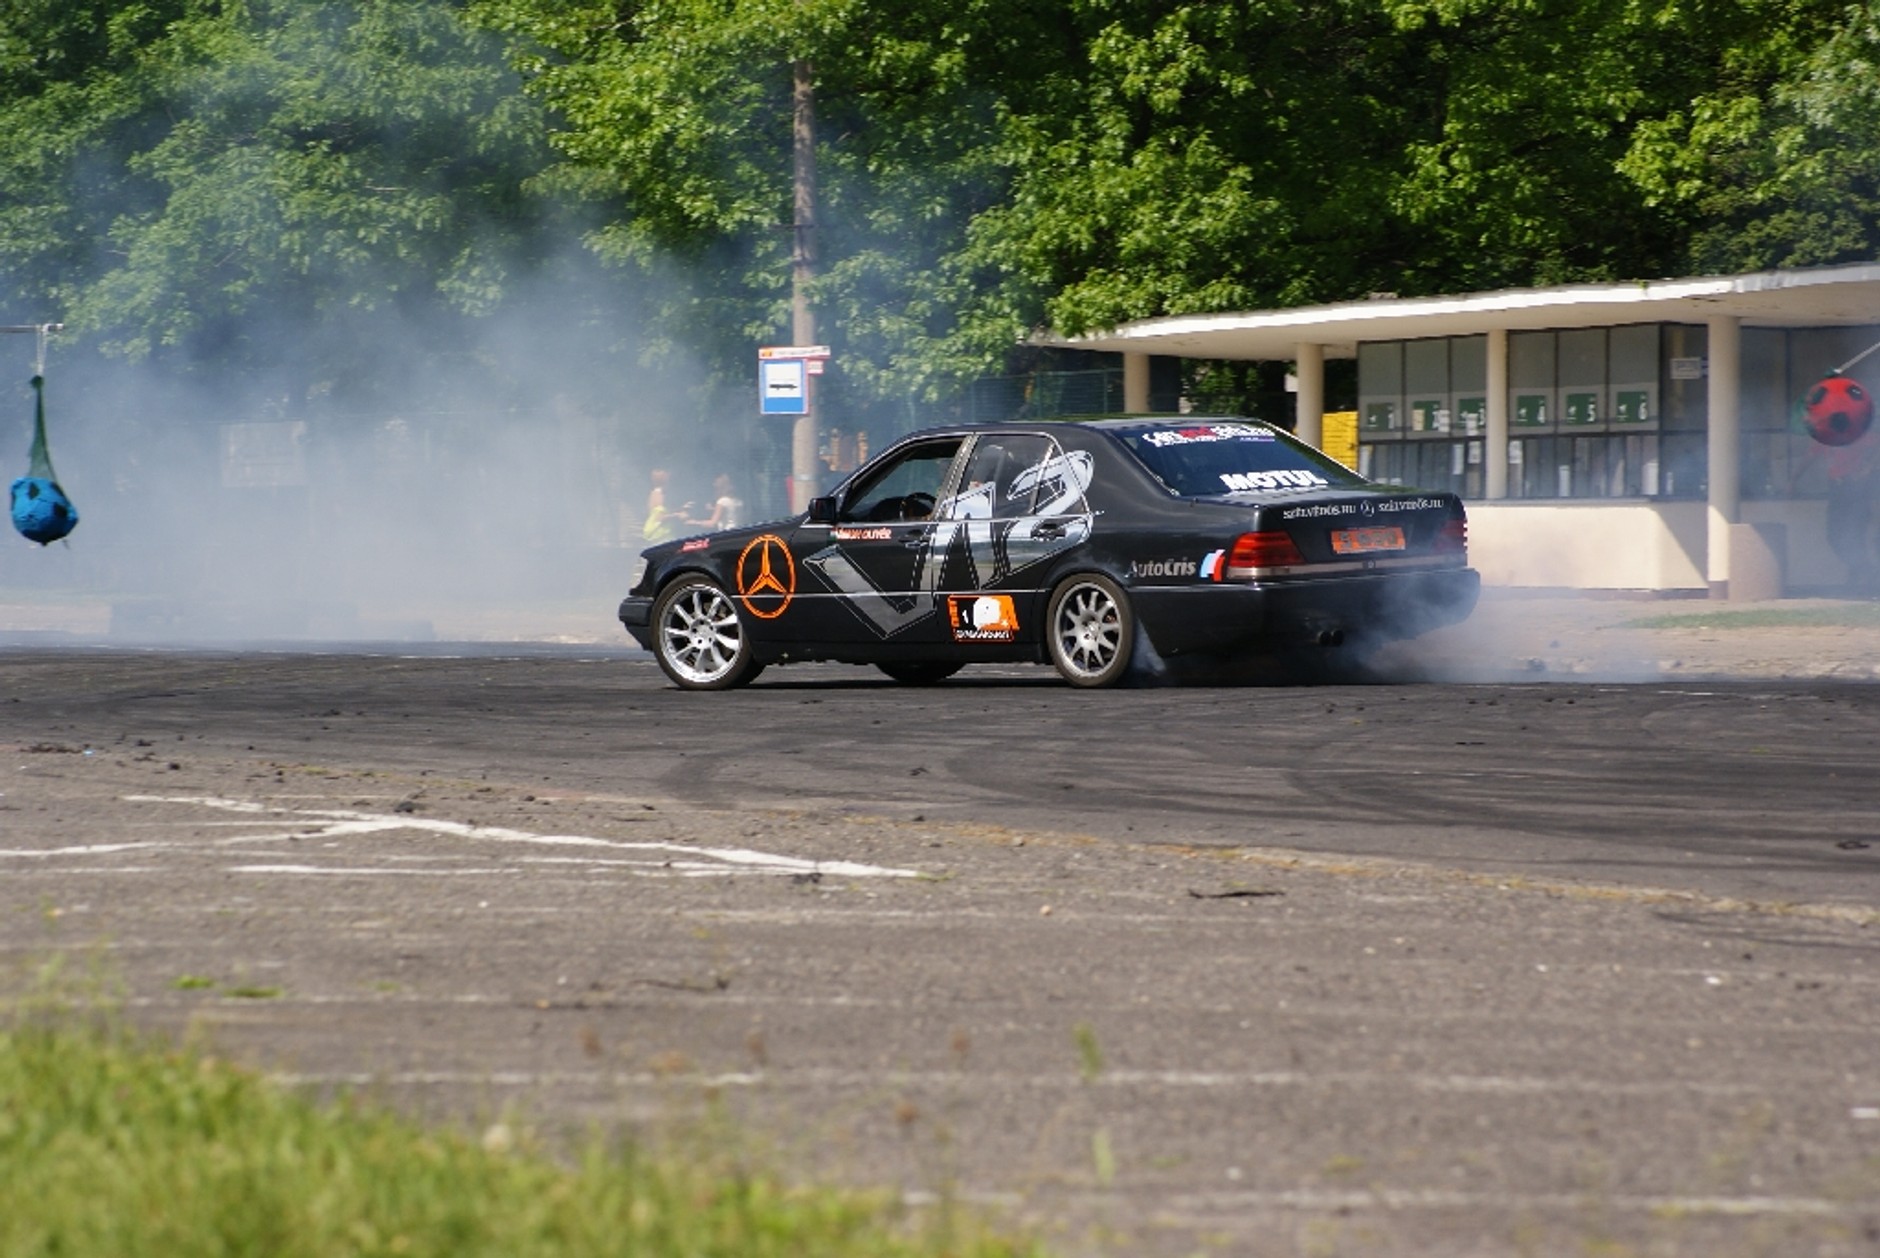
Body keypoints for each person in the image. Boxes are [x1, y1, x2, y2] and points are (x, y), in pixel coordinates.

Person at [641, 468, 680, 543]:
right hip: (661, 537)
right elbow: (660, 517)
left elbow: (662, 512)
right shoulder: (658, 494)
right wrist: (677, 515)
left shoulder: (654, 493)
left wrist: (680, 508)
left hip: (661, 536)